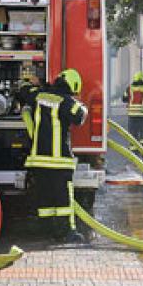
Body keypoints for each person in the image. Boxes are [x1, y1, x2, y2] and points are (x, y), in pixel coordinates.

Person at [22, 69, 88, 242]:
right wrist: (81, 104)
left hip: (38, 160)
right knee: (63, 200)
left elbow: (22, 91)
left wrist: (35, 84)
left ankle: (43, 230)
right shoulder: (67, 102)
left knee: (44, 197)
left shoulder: (38, 96)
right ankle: (67, 232)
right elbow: (80, 116)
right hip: (59, 161)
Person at [122, 71, 143, 147]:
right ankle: (142, 148)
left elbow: (124, 99)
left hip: (132, 115)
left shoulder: (129, 88)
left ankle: (134, 150)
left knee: (132, 132)